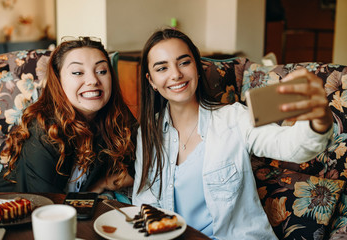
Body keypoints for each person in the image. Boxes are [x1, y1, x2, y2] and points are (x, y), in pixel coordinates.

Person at [132, 29, 333, 239]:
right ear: (151, 80)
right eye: (162, 68)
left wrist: (318, 121)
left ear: (197, 69)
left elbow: (291, 146)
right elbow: (143, 203)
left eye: (184, 62)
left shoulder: (234, 118)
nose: (175, 74)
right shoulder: (147, 132)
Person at [0, 37, 137, 194]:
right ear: (58, 81)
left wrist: (103, 183)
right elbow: (43, 207)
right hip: (7, 210)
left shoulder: (116, 117)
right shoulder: (43, 130)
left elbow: (145, 168)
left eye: (101, 71)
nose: (93, 80)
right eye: (78, 72)